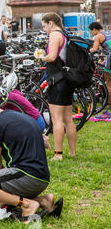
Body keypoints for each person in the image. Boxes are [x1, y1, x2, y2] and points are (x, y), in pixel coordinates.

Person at [0, 100, 63, 222]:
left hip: (27, 176)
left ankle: (27, 204)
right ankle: (43, 201)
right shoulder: (19, 116)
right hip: (42, 177)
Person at [36, 12, 76, 161]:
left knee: (56, 119)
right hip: (67, 79)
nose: (44, 29)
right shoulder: (65, 35)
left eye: (44, 26)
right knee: (68, 119)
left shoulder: (54, 35)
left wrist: (41, 57)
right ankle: (72, 152)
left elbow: (52, 57)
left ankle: (58, 154)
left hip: (57, 80)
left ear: (51, 23)